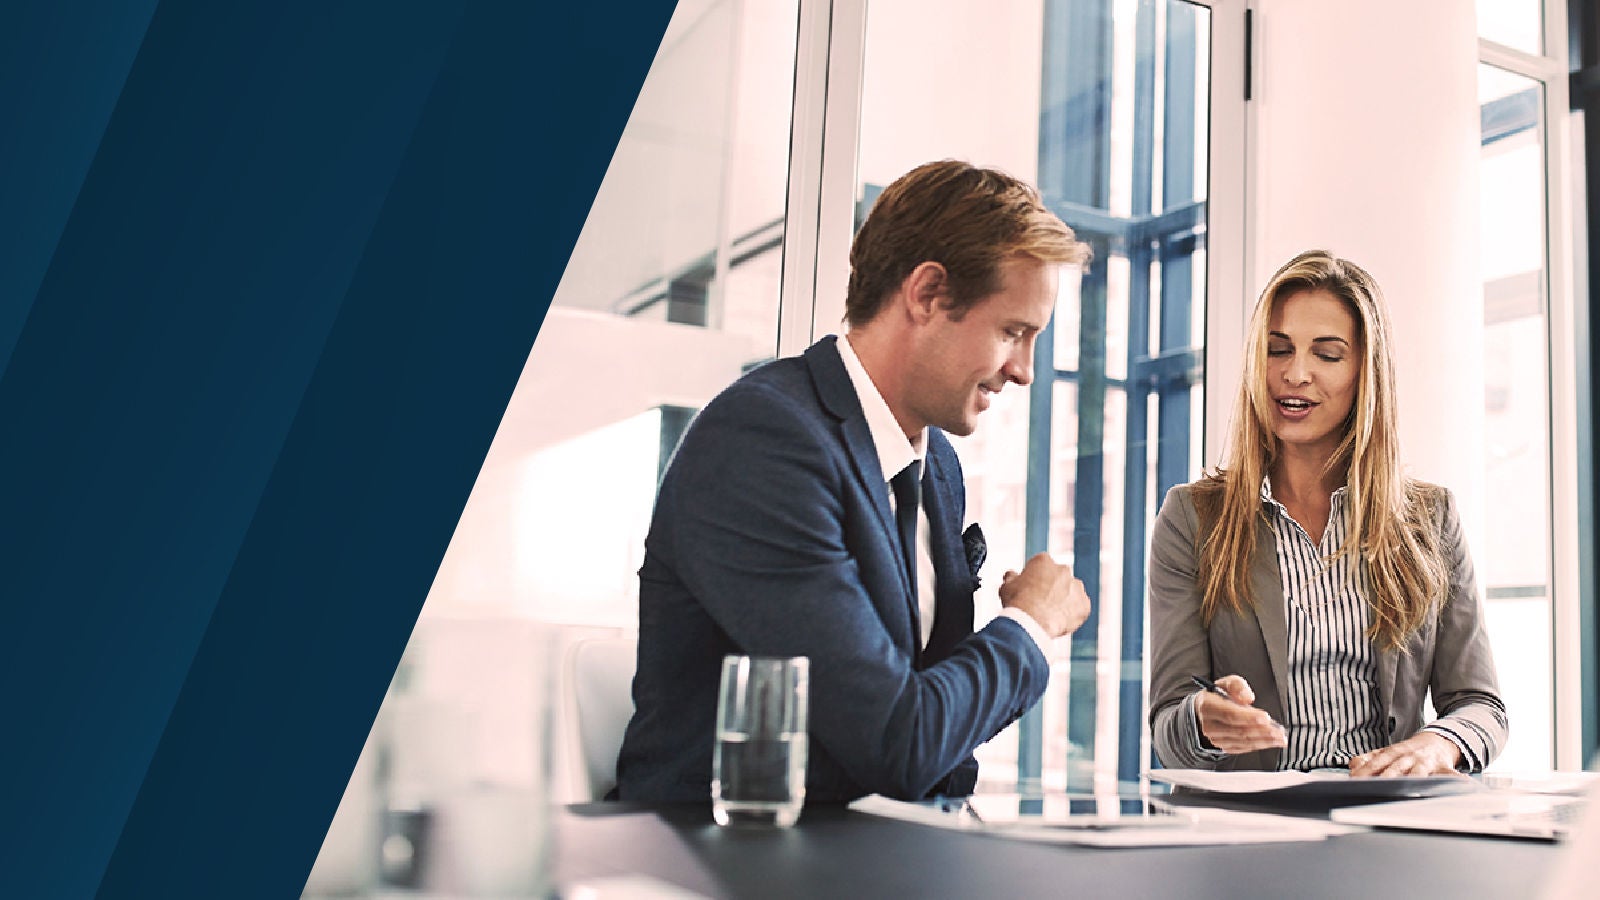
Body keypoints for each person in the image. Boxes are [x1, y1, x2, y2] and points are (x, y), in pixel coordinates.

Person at [615, 160, 1093, 802]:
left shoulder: (937, 467)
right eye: (1013, 332)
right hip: (733, 865)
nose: (1025, 370)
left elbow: (937, 737)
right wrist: (1029, 625)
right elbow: (898, 742)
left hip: (889, 851)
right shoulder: (764, 443)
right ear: (926, 294)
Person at [1148, 250, 1507, 776]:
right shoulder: (1192, 518)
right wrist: (1202, 719)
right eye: (1278, 350)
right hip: (1251, 831)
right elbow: (1167, 725)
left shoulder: (1430, 519)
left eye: (1328, 355)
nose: (1295, 374)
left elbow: (1481, 705)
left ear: (1365, 371)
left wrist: (1436, 745)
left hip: (1383, 819)